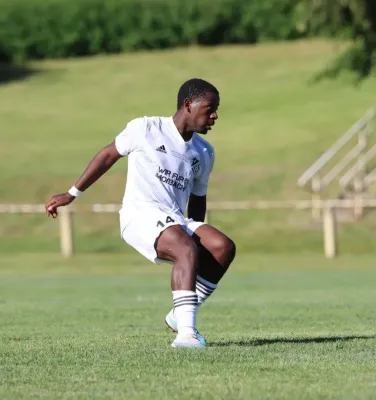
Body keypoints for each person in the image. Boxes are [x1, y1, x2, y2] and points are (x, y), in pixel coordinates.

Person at [45, 78, 236, 348]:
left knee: (222, 247)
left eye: (216, 109)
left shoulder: (204, 152)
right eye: (210, 108)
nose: (215, 115)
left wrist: (196, 232)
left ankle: (176, 317)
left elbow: (198, 198)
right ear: (188, 105)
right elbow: (108, 155)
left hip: (175, 219)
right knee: (185, 248)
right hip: (140, 215)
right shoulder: (146, 128)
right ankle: (187, 335)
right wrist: (72, 193)